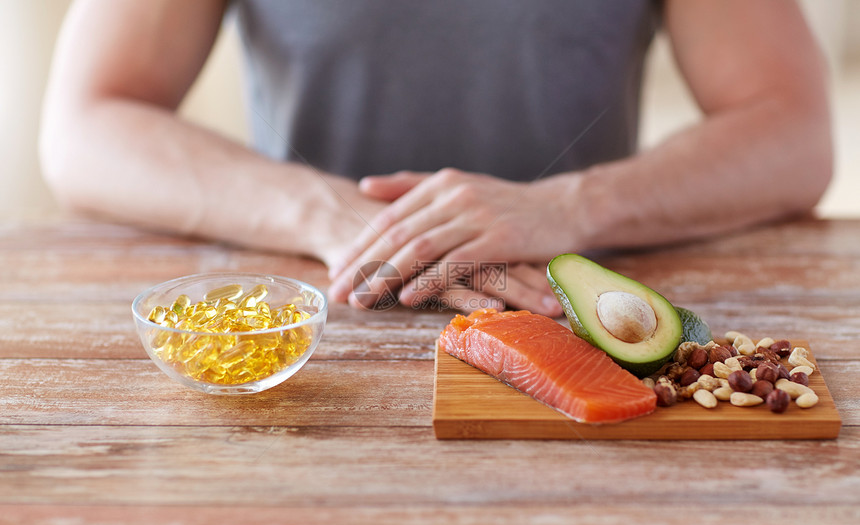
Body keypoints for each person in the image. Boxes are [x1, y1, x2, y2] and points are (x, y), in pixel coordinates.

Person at [40, 0, 832, 316]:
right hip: (317, 319)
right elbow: (86, 123)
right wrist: (328, 215)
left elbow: (791, 129)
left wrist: (573, 203)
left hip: (568, 315)